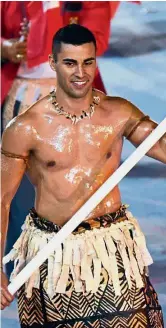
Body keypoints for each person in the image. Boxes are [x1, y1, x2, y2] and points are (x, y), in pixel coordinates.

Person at [1, 24, 166, 328]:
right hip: (53, 256)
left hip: (111, 250)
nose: (80, 73)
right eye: (70, 63)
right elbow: (1, 200)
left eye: (87, 63)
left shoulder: (118, 113)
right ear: (53, 64)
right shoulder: (25, 128)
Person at [1, 0, 113, 277]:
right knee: (18, 198)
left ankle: (77, 271)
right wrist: (4, 47)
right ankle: (22, 271)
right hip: (18, 98)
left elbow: (96, 37)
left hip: (78, 106)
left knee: (76, 192)